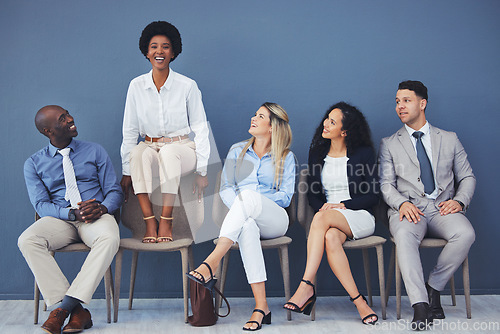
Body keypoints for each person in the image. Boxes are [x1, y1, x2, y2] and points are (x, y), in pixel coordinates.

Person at [187, 102, 295, 331]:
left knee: (248, 198)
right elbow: (226, 187)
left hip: (275, 220)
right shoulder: (237, 151)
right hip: (245, 217)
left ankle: (212, 262)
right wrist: (244, 206)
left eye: (260, 116)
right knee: (246, 227)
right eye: (254, 114)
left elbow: (285, 197)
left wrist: (254, 201)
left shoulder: (286, 156)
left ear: (273, 127)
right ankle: (261, 307)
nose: (253, 118)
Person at [378, 80, 475, 330]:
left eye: (406, 100)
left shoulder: (450, 139)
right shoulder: (389, 143)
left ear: (423, 103)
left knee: (465, 233)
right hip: (409, 209)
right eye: (397, 101)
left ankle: (433, 287)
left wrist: (459, 200)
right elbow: (386, 184)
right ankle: (420, 305)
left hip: (443, 207)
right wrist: (400, 204)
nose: (400, 106)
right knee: (404, 238)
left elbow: (467, 177)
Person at [18, 105, 123, 334]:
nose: (70, 119)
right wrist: (71, 214)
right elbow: (40, 205)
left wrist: (102, 207)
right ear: (48, 131)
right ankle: (78, 312)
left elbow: (115, 191)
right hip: (61, 219)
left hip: (96, 216)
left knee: (109, 238)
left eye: (67, 114)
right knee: (28, 240)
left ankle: (63, 309)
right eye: (62, 119)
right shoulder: (34, 163)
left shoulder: (95, 151)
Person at [283, 102, 379, 325]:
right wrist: (326, 209)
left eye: (332, 122)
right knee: (330, 237)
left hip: (359, 215)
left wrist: (343, 205)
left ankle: (306, 286)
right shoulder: (318, 153)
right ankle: (360, 302)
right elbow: (313, 196)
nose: (325, 123)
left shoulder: (364, 154)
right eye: (327, 118)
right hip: (329, 220)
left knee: (322, 217)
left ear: (345, 131)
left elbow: (373, 195)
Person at [120, 20, 210, 243]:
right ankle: (149, 221)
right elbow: (130, 130)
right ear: (146, 52)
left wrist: (202, 170)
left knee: (170, 153)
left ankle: (166, 220)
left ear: (173, 52)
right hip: (150, 145)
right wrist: (126, 170)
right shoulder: (136, 86)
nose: (159, 51)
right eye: (153, 46)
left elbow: (201, 128)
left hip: (182, 148)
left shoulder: (187, 85)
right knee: (138, 153)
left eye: (165, 46)